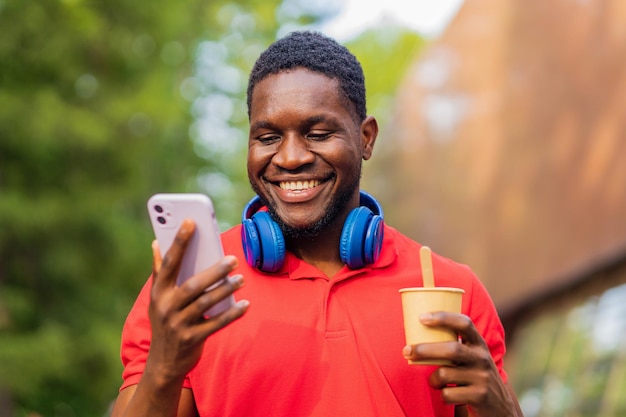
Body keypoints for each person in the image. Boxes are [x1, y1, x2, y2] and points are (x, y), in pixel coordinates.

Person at [110, 31, 523, 417]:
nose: (291, 158)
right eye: (268, 137)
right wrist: (163, 367)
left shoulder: (453, 291)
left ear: (366, 138)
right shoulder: (193, 287)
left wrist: (501, 408)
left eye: (319, 133)